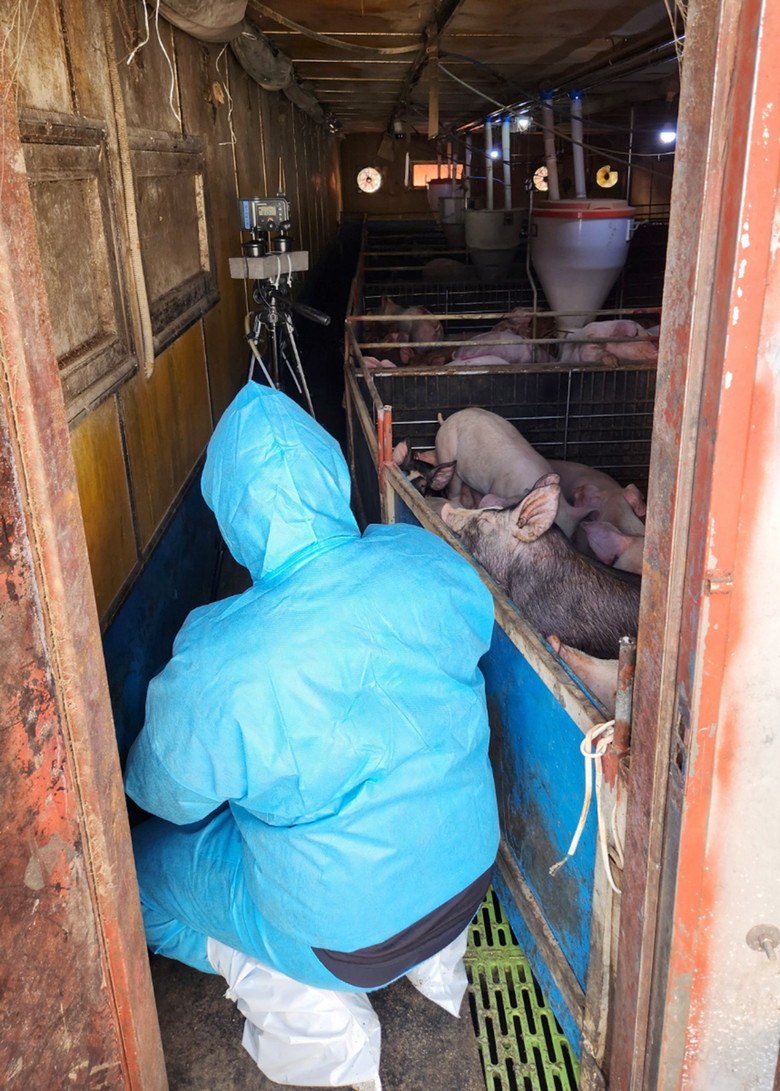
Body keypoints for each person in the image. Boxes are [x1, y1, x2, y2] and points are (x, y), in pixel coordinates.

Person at [125, 382, 499, 1089]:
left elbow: (163, 793)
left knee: (136, 874)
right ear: (332, 473)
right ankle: (428, 957)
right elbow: (472, 633)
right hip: (470, 874)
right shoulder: (423, 558)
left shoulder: (221, 655)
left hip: (345, 943)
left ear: (232, 514)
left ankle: (300, 996)